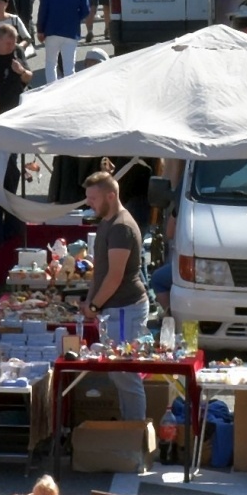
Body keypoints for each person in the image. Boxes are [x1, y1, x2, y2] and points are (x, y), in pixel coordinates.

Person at [84, 172, 150, 419]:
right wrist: (92, 301)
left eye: (93, 198)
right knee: (118, 371)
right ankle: (127, 429)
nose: (89, 202)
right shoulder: (107, 221)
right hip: (116, 309)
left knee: (124, 372)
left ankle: (135, 435)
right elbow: (100, 270)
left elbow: (115, 276)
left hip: (126, 309)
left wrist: (94, 304)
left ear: (110, 196)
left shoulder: (122, 227)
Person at [36, 0, 91, 83]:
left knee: (51, 64)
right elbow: (86, 10)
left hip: (51, 29)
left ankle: (51, 91)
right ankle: (68, 95)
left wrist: (40, 29)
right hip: (71, 30)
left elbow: (43, 8)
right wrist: (75, 18)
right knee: (69, 67)